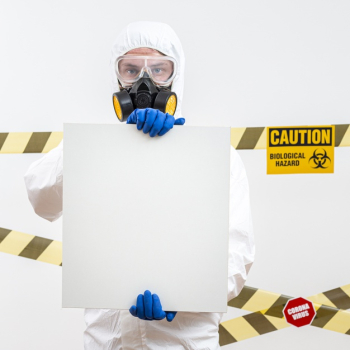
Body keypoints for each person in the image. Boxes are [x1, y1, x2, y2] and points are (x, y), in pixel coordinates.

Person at [24, 21, 255, 350]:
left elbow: (239, 253)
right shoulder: (95, 150)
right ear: (116, 77)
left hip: (184, 342)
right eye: (131, 70)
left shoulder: (217, 157)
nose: (144, 82)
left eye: (159, 69)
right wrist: (102, 148)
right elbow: (39, 197)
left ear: (177, 75)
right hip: (108, 341)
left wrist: (186, 294)